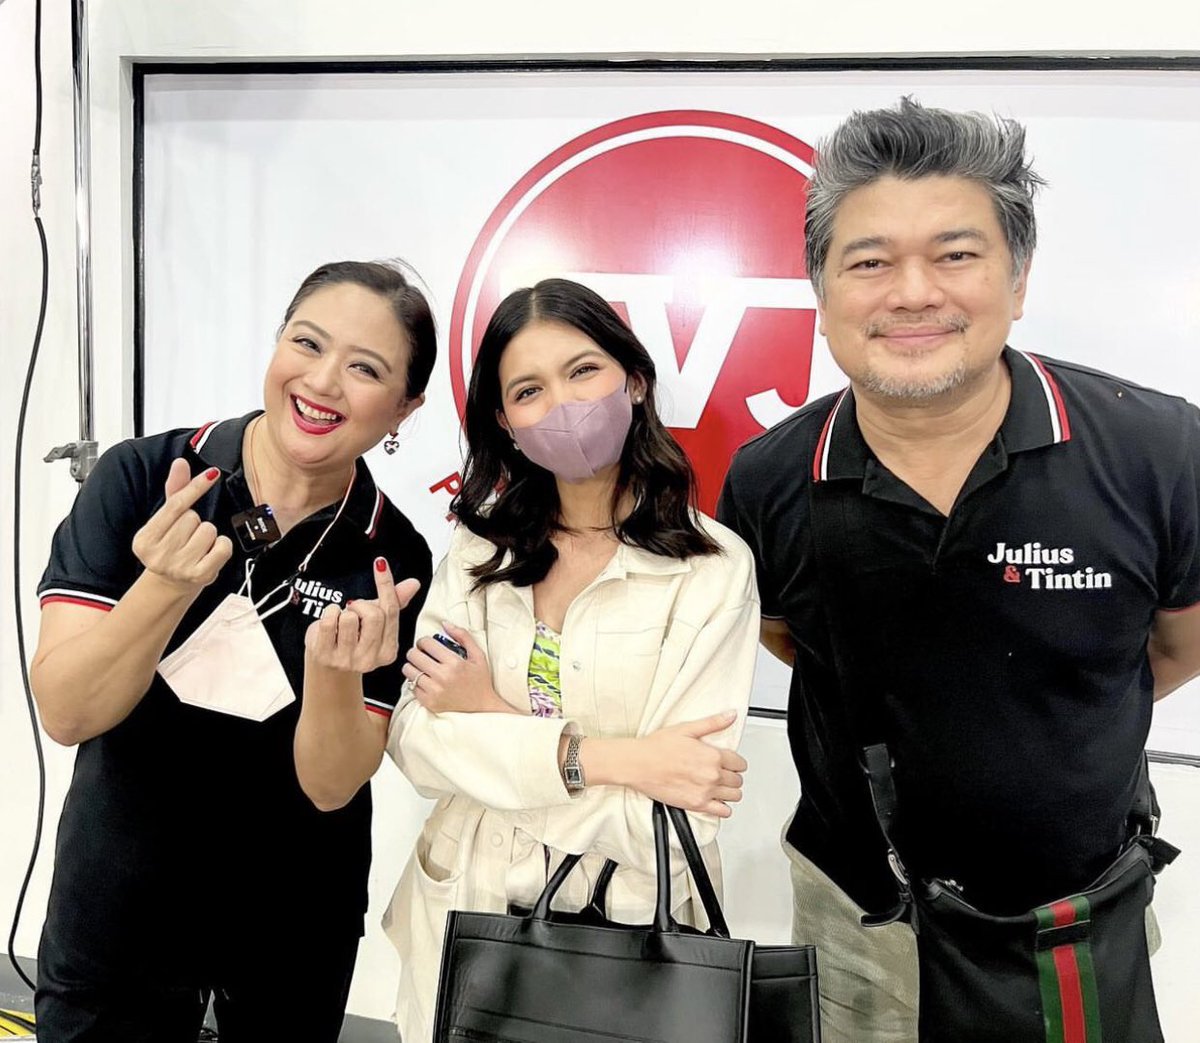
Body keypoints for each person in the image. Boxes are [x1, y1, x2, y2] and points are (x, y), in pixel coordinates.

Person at [717, 97, 1200, 1042]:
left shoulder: (1157, 448)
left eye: (955, 254)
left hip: (1080, 920)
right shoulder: (769, 478)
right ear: (821, 292)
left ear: (1018, 278)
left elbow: (1176, 648)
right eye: (869, 262)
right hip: (863, 920)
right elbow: (788, 638)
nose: (912, 293)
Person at [296, 277, 760, 1040]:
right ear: (505, 422)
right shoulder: (479, 548)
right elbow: (417, 744)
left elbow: (673, 812)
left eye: (584, 371)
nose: (564, 405)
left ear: (635, 381)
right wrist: (612, 759)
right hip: (461, 922)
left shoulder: (711, 569)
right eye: (529, 390)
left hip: (623, 944)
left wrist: (488, 714)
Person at [31, 260, 436, 1042]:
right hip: (118, 905)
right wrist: (163, 586)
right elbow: (67, 710)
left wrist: (333, 674)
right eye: (307, 343)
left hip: (293, 926)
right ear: (277, 342)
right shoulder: (147, 477)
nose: (322, 381)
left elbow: (332, 785)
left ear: (404, 408)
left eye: (365, 369)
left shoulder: (392, 554)